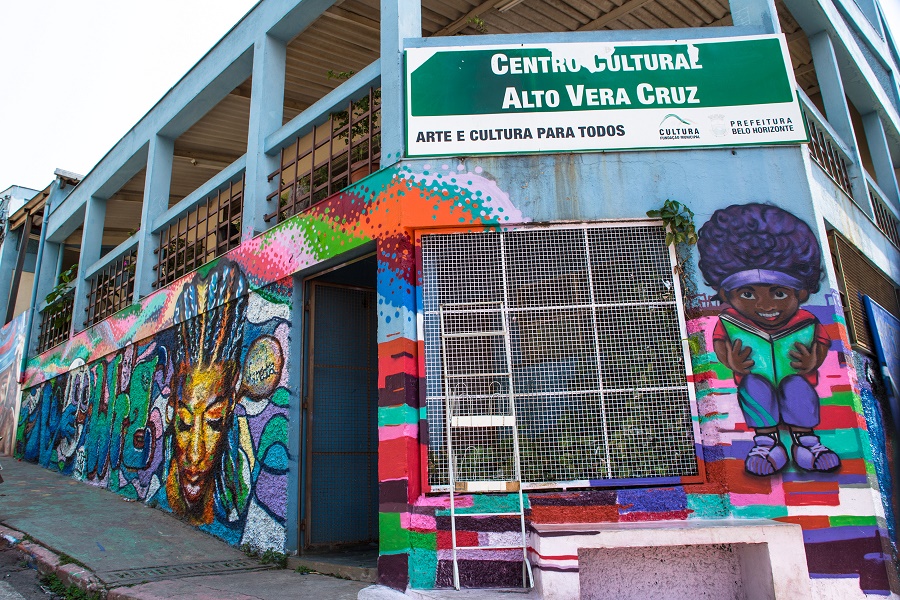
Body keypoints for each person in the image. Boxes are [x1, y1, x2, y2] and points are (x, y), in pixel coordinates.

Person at [697, 203, 840, 476]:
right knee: (753, 387)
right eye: (748, 294)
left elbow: (821, 343)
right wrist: (732, 361)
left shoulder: (806, 320)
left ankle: (806, 441)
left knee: (798, 389)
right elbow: (719, 344)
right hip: (754, 376)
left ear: (801, 293)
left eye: (779, 293)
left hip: (796, 376)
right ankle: (766, 441)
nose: (766, 305)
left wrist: (812, 360)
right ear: (726, 296)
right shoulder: (731, 322)